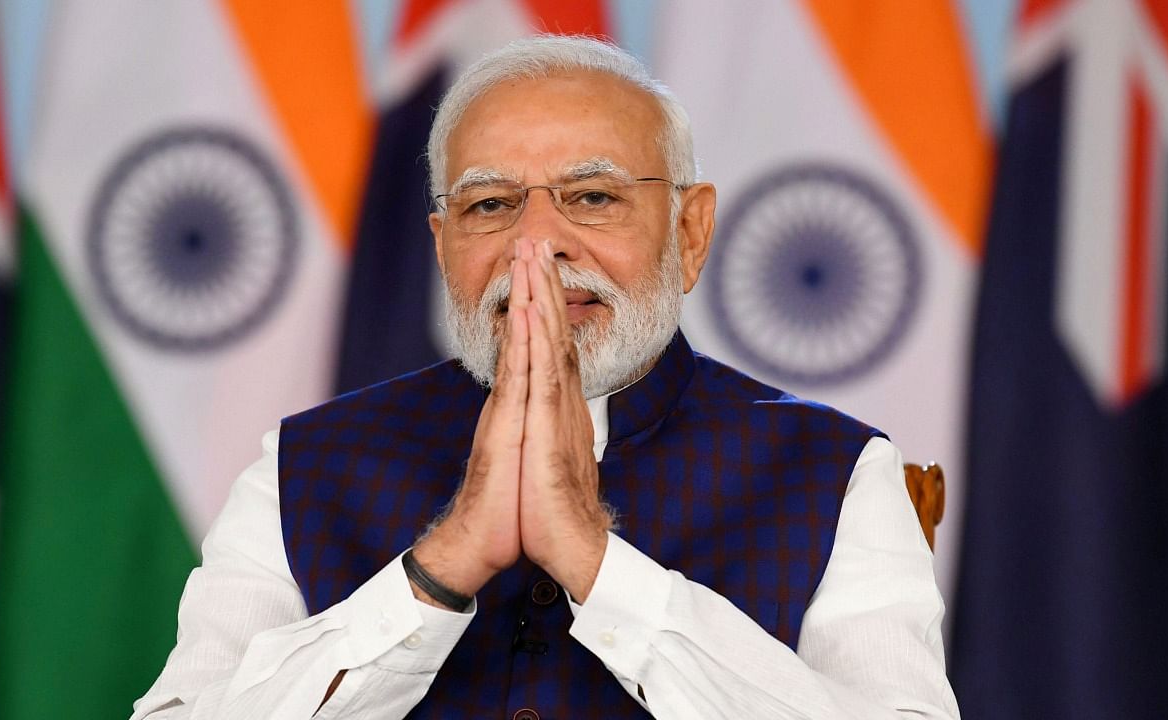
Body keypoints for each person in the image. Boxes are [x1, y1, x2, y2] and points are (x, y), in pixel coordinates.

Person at [132, 35, 960, 719]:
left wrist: (598, 564)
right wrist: (442, 565)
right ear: (440, 244)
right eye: (489, 205)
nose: (538, 244)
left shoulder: (836, 470)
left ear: (692, 234)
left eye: (592, 197)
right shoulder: (300, 464)